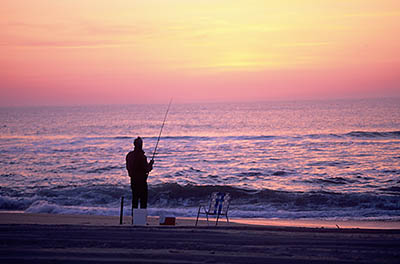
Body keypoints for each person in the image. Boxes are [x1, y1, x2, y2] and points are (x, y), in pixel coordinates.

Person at [126, 137, 154, 209]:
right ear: (141, 145)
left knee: (134, 201)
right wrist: (151, 164)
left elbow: (128, 168)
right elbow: (147, 169)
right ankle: (141, 219)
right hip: (142, 182)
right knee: (143, 202)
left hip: (133, 181)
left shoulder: (129, 155)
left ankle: (134, 219)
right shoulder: (142, 156)